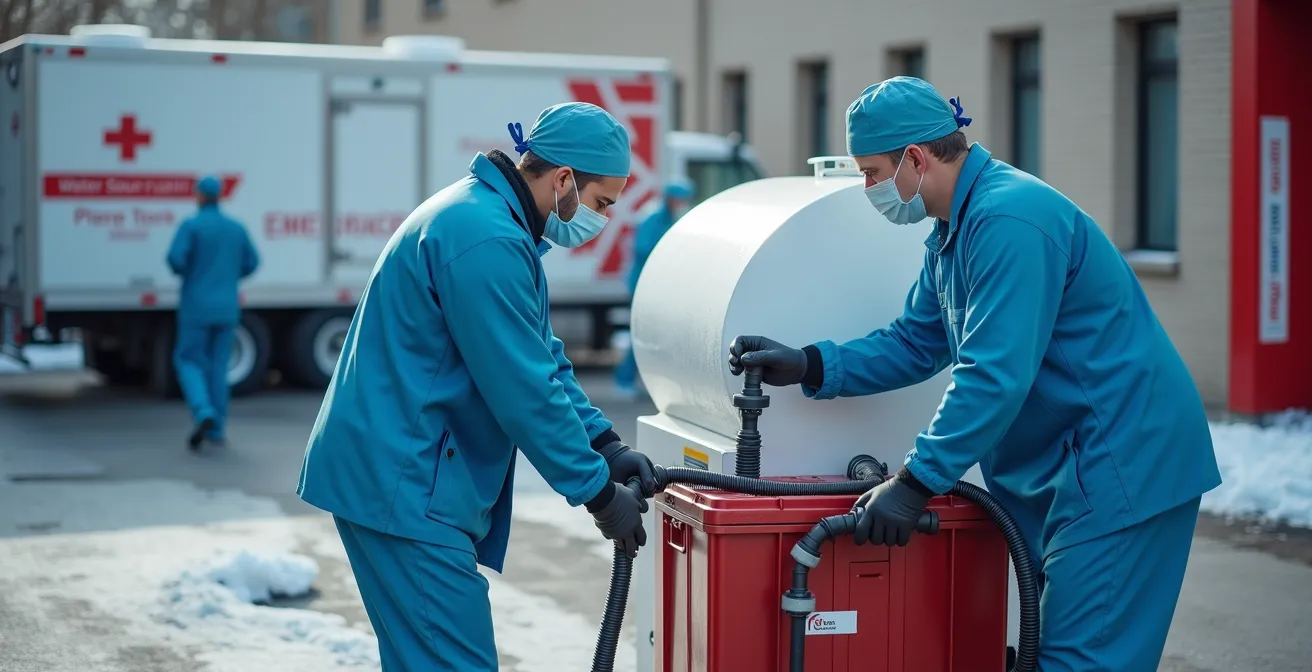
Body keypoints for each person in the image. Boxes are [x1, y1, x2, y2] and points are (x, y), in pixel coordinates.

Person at [727, 77, 1221, 671]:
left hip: (1123, 463)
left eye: (871, 173)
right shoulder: (952, 231)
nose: (867, 189)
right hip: (1075, 467)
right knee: (1044, 653)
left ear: (915, 158)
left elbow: (994, 373)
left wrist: (915, 483)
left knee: (1079, 661)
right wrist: (811, 363)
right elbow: (917, 341)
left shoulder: (1009, 218)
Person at [297, 102, 656, 670]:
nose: (602, 220)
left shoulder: (490, 220)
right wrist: (599, 493)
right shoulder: (487, 240)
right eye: (601, 203)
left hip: (401, 476)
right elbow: (524, 391)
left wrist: (606, 445)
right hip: (405, 485)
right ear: (564, 179)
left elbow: (543, 359)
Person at [166, 175, 259, 451]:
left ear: (198, 196)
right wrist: (229, 276)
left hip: (196, 307)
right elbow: (252, 262)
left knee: (189, 360)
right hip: (227, 308)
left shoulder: (191, 226)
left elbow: (175, 259)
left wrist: (194, 273)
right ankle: (217, 427)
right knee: (219, 366)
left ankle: (203, 410)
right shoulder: (235, 228)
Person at [614, 177, 695, 397]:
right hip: (643, 285)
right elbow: (643, 249)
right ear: (669, 198)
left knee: (659, 335)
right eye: (680, 200)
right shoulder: (652, 218)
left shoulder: (670, 217)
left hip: (660, 286)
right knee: (641, 333)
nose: (682, 204)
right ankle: (624, 381)